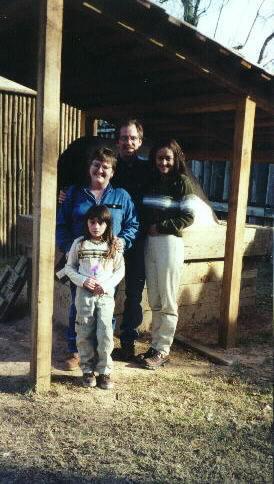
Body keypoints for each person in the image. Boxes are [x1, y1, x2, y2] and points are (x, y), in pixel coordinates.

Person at [56, 147, 139, 371]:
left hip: (108, 265)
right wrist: (69, 248)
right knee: (79, 305)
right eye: (96, 165)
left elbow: (133, 224)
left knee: (105, 307)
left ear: (112, 172)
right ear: (90, 168)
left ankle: (103, 354)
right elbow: (61, 224)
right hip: (82, 262)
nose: (100, 170)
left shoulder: (122, 196)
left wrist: (123, 241)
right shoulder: (74, 193)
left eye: (106, 167)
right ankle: (76, 351)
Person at [137, 138, 217, 370]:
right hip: (149, 243)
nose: (163, 162)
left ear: (176, 159)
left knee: (168, 297)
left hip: (169, 243)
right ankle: (155, 345)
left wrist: (160, 227)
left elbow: (188, 217)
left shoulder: (181, 182)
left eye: (168, 158)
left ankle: (163, 349)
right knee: (154, 297)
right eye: (160, 158)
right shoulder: (152, 181)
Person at [65, 205, 125, 390]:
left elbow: (119, 270)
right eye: (92, 222)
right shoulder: (79, 243)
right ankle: (87, 370)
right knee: (84, 331)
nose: (96, 226)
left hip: (105, 296)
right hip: (84, 296)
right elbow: (69, 268)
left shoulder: (114, 244)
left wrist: (106, 286)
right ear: (87, 223)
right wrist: (83, 281)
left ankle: (104, 372)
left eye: (100, 222)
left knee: (105, 332)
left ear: (107, 224)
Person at [111, 119, 152, 361]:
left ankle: (127, 343)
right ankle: (103, 340)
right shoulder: (110, 167)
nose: (128, 142)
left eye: (133, 138)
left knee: (134, 293)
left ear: (140, 142)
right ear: (117, 141)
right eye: (124, 138)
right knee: (108, 290)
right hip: (112, 241)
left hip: (137, 239)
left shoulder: (148, 169)